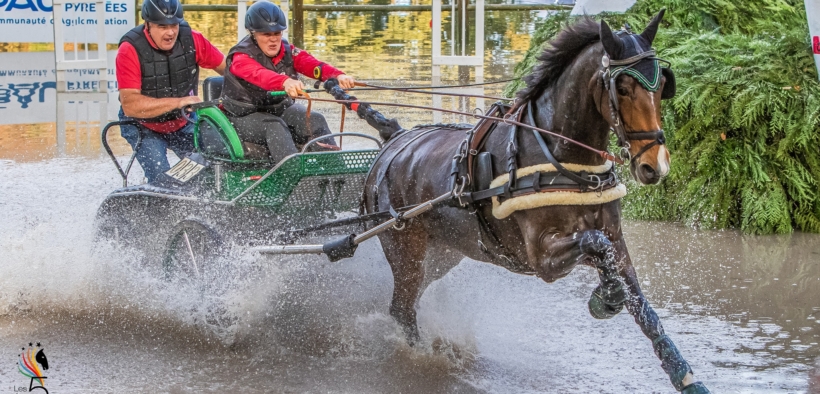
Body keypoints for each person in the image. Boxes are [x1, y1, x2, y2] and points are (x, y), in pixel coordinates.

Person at [221, 0, 356, 162]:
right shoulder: (240, 58)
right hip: (243, 116)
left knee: (316, 119)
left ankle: (335, 169)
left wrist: (337, 75)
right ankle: (293, 173)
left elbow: (311, 64)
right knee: (275, 126)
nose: (273, 39)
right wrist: (284, 82)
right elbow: (259, 75)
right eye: (266, 34)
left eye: (277, 33)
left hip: (278, 109)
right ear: (253, 34)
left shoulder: (288, 51)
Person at [116, 0, 226, 183]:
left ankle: (190, 184)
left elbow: (230, 71)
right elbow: (130, 105)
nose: (170, 33)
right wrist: (179, 102)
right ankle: (160, 186)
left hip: (184, 121)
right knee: (163, 181)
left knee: (216, 168)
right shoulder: (129, 49)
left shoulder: (193, 39)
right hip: (142, 125)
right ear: (147, 25)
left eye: (174, 25)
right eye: (162, 26)